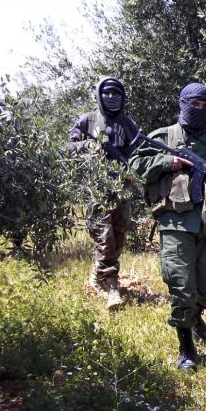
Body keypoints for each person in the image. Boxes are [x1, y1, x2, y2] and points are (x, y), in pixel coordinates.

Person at [129, 83, 206, 371]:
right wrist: (169, 162)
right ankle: (186, 349)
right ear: (182, 103)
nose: (199, 110)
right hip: (175, 221)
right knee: (182, 287)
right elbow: (136, 163)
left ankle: (196, 315)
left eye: (205, 105)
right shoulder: (163, 137)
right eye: (194, 104)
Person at [66, 77, 139, 309]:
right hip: (96, 189)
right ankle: (111, 287)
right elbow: (68, 147)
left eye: (115, 94)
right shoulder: (88, 120)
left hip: (122, 188)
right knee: (103, 237)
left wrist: (132, 170)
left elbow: (140, 153)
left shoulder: (128, 124)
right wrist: (87, 146)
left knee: (118, 237)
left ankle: (97, 275)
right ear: (99, 94)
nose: (110, 97)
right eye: (106, 93)